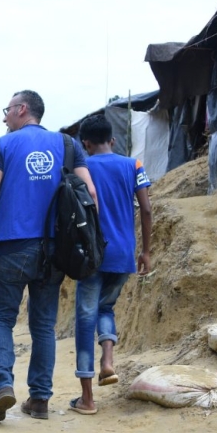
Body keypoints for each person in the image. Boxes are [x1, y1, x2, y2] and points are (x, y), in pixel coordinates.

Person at [0, 90, 96, 423]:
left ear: (22, 110)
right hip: (55, 248)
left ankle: (3, 386)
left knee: (2, 319)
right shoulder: (68, 145)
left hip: (13, 245)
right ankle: (39, 400)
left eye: (7, 110)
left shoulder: (3, 145)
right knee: (43, 326)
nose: (5, 117)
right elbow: (89, 192)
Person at [69, 114, 152, 415]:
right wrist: (146, 252)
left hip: (91, 254)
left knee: (84, 320)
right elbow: (146, 209)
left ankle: (87, 398)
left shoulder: (81, 168)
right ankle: (107, 361)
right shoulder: (134, 165)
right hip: (123, 255)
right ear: (113, 140)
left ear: (85, 144)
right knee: (106, 309)